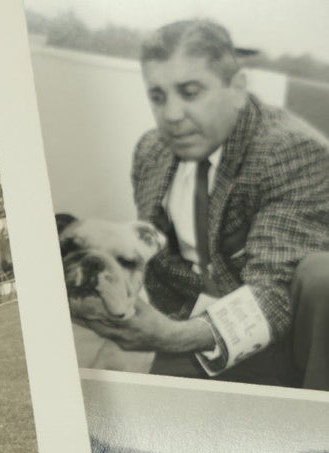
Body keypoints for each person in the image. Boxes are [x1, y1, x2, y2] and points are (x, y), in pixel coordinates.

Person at [78, 19, 329, 389]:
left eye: (190, 92)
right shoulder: (150, 151)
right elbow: (159, 271)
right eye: (158, 96)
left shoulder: (291, 150)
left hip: (286, 337)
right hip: (193, 330)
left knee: (321, 275)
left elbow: (274, 296)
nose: (172, 115)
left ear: (238, 89)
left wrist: (167, 337)